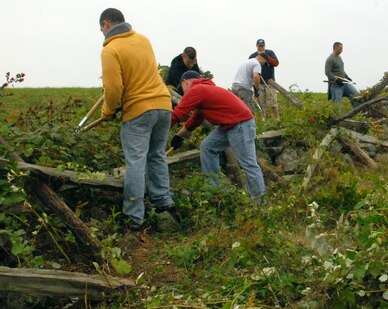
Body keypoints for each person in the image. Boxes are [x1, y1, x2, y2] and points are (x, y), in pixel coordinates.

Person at [98, 8, 175, 230]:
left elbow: (113, 89)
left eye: (101, 29)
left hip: (139, 110)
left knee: (135, 162)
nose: (101, 33)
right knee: (157, 155)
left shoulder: (110, 50)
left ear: (106, 24)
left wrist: (108, 112)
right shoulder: (143, 40)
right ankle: (164, 202)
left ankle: (133, 218)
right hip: (163, 104)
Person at [170, 71, 265, 201]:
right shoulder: (205, 90)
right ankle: (213, 191)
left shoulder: (196, 90)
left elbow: (178, 113)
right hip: (229, 125)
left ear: (185, 82)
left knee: (249, 164)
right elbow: (194, 120)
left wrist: (157, 129)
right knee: (207, 147)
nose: (183, 92)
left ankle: (260, 202)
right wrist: (178, 136)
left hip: (241, 124)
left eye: (182, 88)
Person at [249, 39, 280, 119]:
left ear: (264, 46)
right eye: (259, 46)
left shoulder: (270, 53)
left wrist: (265, 56)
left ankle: (277, 120)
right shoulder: (252, 56)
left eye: (262, 46)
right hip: (258, 83)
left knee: (273, 103)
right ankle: (264, 120)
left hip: (270, 82)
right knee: (261, 104)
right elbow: (249, 68)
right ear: (256, 46)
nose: (261, 47)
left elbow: (276, 63)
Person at [325, 42, 360, 106]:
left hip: (344, 83)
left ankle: (356, 113)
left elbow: (341, 70)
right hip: (335, 85)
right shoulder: (329, 59)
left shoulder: (339, 58)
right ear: (335, 48)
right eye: (340, 49)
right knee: (336, 104)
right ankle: (336, 116)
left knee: (356, 96)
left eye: (342, 49)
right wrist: (336, 79)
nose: (342, 50)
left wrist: (347, 76)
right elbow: (327, 72)